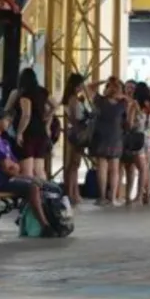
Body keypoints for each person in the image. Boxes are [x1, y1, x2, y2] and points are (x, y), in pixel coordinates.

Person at [0, 107, 49, 231]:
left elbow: (16, 166)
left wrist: (16, 169)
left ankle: (34, 219)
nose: (9, 122)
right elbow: (6, 168)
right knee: (32, 187)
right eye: (6, 119)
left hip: (10, 178)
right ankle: (44, 225)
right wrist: (14, 168)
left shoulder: (5, 142)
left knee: (42, 183)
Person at [5, 68, 52, 179]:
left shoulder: (21, 93)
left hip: (28, 133)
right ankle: (43, 193)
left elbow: (26, 115)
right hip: (41, 132)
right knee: (39, 169)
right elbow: (55, 104)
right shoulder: (43, 92)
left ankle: (31, 195)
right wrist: (47, 122)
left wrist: (19, 132)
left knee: (27, 171)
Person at [86, 77, 126, 206]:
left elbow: (89, 87)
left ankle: (102, 197)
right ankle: (113, 198)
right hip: (116, 137)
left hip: (101, 137)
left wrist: (103, 80)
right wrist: (121, 93)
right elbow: (131, 103)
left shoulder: (100, 100)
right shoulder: (123, 103)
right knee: (114, 169)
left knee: (102, 168)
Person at [62, 72, 87, 205]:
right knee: (74, 164)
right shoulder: (73, 99)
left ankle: (74, 192)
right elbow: (75, 117)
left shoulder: (71, 98)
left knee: (73, 164)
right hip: (77, 132)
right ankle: (71, 193)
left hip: (73, 132)